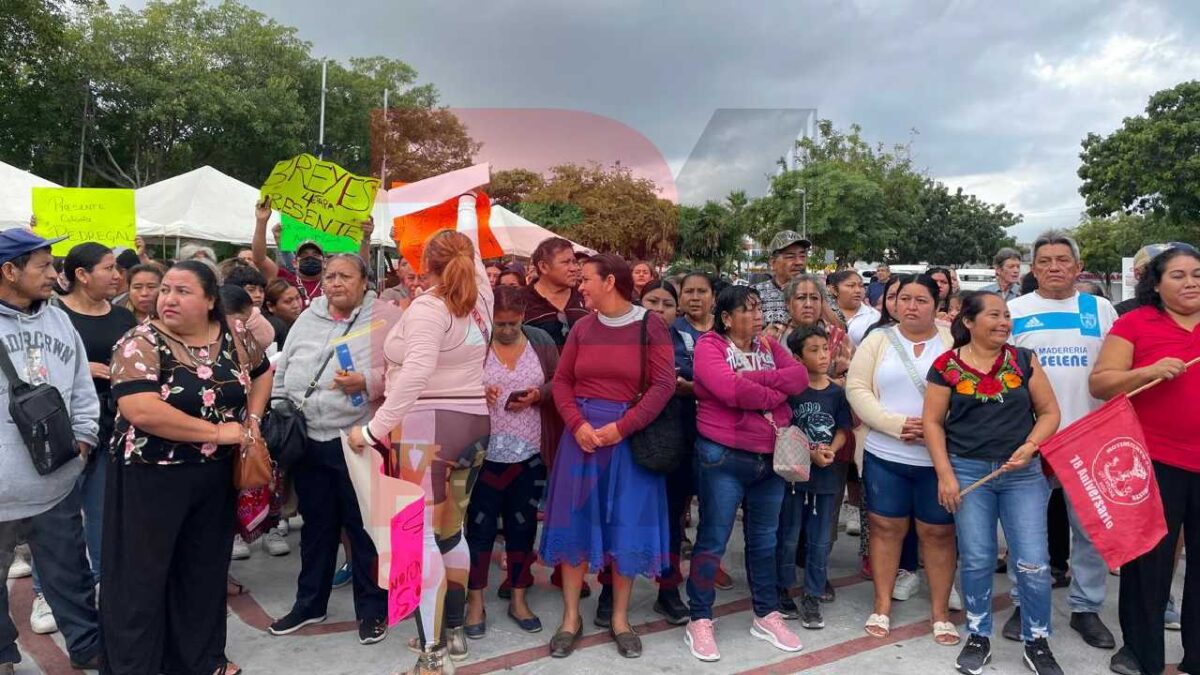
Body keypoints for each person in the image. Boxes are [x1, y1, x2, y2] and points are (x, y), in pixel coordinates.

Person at [346, 194, 494, 674]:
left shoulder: (431, 307)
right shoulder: (482, 297)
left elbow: (415, 372)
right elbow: (471, 249)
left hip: (427, 429)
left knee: (419, 540)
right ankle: (452, 636)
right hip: (472, 426)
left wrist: (373, 429)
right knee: (451, 533)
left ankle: (431, 655)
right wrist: (467, 207)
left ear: (426, 266)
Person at [103, 260, 271, 675]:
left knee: (203, 570)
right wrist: (217, 433)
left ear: (210, 300)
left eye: (182, 291)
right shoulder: (139, 342)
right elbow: (141, 410)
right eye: (165, 290)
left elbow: (263, 372)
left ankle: (201, 660)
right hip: (151, 474)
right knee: (141, 579)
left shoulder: (233, 333)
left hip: (214, 477)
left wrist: (251, 421)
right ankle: (137, 666)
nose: (168, 299)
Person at [538, 254, 674, 660]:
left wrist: (622, 427)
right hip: (581, 440)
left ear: (609, 282)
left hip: (626, 440)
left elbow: (663, 386)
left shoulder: (651, 326)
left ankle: (619, 619)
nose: (581, 287)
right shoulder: (582, 327)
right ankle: (569, 619)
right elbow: (561, 382)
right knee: (575, 525)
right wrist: (577, 424)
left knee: (626, 527)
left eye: (587, 280)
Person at [924, 291, 1065, 675]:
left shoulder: (1023, 360)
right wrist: (945, 474)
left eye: (1007, 316)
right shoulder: (945, 366)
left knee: (1033, 561)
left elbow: (1050, 412)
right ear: (968, 322)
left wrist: (1032, 445)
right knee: (977, 557)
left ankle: (1037, 640)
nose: (1004, 322)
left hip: (1023, 475)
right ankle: (978, 635)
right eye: (994, 315)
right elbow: (933, 423)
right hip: (969, 473)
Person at [269, 253, 401, 644]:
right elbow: (285, 366)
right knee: (316, 528)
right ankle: (310, 604)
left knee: (364, 532)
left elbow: (407, 372)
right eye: (329, 277)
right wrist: (280, 413)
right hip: (308, 440)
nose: (335, 283)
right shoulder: (307, 318)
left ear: (365, 282)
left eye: (345, 276)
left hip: (358, 440)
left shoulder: (387, 318)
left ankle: (373, 610)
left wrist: (369, 381)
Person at [1004, 230, 1119, 649]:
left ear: (1076, 264)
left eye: (1062, 260)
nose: (1054, 267)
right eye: (1045, 260)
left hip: (1089, 436)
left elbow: (1116, 368)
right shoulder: (1013, 311)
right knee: (1025, 529)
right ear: (1033, 269)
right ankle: (1023, 601)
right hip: (1031, 439)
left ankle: (1086, 608)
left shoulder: (1100, 309)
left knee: (1089, 531)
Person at [683, 285, 810, 663]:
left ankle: (766, 613)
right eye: (749, 310)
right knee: (713, 539)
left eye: (759, 309)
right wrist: (774, 393)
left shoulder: (769, 347)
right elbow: (726, 389)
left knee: (764, 540)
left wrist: (756, 387)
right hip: (723, 457)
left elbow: (800, 378)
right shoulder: (710, 346)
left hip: (769, 459)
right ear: (726, 318)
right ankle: (700, 617)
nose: (759, 317)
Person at [1090, 244, 1200, 675]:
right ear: (1155, 283)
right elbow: (1100, 383)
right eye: (1178, 275)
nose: (1190, 282)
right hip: (1154, 461)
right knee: (1149, 563)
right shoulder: (1135, 323)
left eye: (1196, 273)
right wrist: (1147, 372)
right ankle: (1141, 652)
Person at [0, 229, 103, 673]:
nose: (53, 274)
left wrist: (83, 440)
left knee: (70, 574)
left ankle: (88, 647)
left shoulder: (59, 319)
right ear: (9, 271)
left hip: (56, 481)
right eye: (42, 266)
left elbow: (82, 385)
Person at [846, 274, 958, 644]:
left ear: (937, 304)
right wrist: (895, 425)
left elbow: (969, 388)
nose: (911, 306)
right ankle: (881, 605)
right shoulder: (877, 340)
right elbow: (857, 389)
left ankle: (940, 612)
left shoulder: (952, 340)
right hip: (886, 453)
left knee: (938, 532)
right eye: (904, 298)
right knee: (885, 528)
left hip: (937, 458)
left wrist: (937, 428)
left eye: (921, 300)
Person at [464, 286, 559, 638]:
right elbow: (455, 384)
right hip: (483, 456)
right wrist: (478, 391)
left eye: (512, 323)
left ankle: (518, 596)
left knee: (522, 529)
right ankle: (476, 601)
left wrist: (538, 395)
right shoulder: (476, 344)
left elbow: (559, 382)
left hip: (529, 455)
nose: (506, 330)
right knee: (479, 530)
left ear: (524, 317)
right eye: (499, 323)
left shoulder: (540, 342)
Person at [45, 243, 137, 592]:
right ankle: (45, 591)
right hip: (63, 429)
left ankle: (104, 585)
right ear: (82, 275)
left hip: (112, 424)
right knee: (58, 519)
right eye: (108, 268)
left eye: (117, 268)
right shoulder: (54, 316)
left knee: (103, 514)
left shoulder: (122, 317)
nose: (117, 275)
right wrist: (82, 369)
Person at [778, 324, 852, 631]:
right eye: (814, 350)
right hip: (794, 477)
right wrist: (809, 451)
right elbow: (783, 430)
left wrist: (830, 451)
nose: (823, 355)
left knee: (820, 540)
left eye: (825, 349)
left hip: (827, 476)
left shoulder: (837, 393)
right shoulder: (791, 392)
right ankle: (782, 589)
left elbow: (843, 431)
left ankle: (812, 592)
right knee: (789, 535)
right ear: (797, 357)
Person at [636, 279, 694, 625]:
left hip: (677, 439)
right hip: (631, 437)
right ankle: (612, 591)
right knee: (626, 515)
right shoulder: (624, 337)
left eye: (667, 304)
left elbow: (693, 374)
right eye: (651, 301)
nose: (659, 309)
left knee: (672, 519)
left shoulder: (685, 340)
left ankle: (668, 590)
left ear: (678, 310)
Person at [252, 196, 375, 309]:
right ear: (295, 262)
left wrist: (365, 238)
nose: (310, 257)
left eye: (315, 255)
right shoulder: (286, 280)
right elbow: (259, 259)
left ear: (325, 262)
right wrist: (261, 221)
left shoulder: (335, 283)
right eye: (304, 255)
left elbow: (361, 268)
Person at [522, 237, 587, 348]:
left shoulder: (585, 295)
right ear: (543, 267)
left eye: (574, 262)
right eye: (566, 262)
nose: (574, 268)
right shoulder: (522, 301)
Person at [754, 230, 811, 328]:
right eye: (790, 256)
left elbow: (841, 329)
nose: (799, 262)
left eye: (802, 256)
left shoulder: (819, 291)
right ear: (773, 262)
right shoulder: (755, 294)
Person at [829, 270, 881, 347]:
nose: (858, 290)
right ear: (834, 290)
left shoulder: (874, 316)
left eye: (861, 286)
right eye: (851, 286)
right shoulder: (825, 313)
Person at [264, 278, 302, 351]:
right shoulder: (269, 329)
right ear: (270, 306)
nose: (296, 305)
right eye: (288, 301)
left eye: (298, 298)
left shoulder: (306, 321)